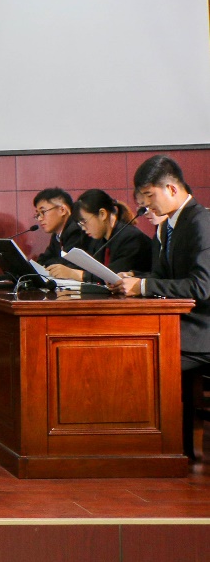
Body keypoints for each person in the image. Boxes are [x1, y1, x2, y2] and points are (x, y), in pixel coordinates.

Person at [115, 155, 210, 457]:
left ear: (171, 189)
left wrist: (143, 286)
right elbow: (162, 277)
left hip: (201, 329)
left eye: (149, 196)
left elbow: (201, 287)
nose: (146, 206)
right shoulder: (167, 225)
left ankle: (162, 449)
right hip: (178, 324)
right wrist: (132, 279)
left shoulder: (202, 222)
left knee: (141, 357)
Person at [46, 189, 151, 284]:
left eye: (84, 222)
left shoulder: (130, 238)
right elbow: (91, 268)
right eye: (80, 225)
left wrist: (75, 274)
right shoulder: (98, 240)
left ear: (102, 214)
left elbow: (113, 276)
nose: (83, 229)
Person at [32, 187, 87, 268]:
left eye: (43, 212)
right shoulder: (57, 235)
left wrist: (47, 263)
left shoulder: (77, 230)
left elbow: (66, 262)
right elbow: (44, 258)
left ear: (62, 210)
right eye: (38, 214)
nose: (40, 218)